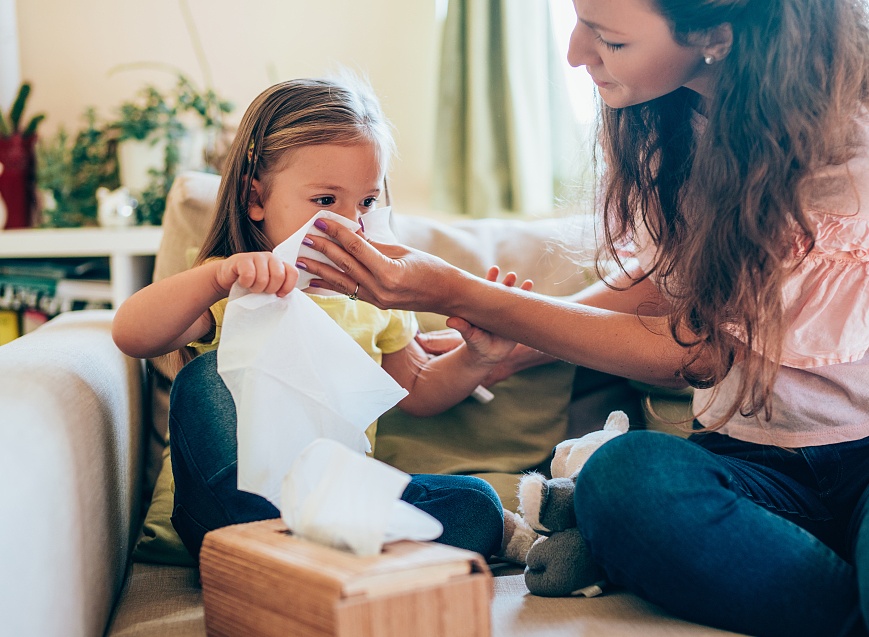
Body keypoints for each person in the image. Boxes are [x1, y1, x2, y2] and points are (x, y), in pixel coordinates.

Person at [296, 1, 869, 635]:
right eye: (578, 19)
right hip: (752, 464)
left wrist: (463, 294)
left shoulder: (848, 146)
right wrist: (513, 343)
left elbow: (699, 351)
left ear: (715, 34)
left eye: (610, 41)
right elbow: (676, 283)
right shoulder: (680, 119)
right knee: (623, 479)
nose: (573, 53)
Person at [112, 77, 526, 560]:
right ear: (256, 198)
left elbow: (416, 387)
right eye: (326, 201)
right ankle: (277, 548)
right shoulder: (237, 281)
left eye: (367, 202)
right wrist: (218, 278)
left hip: (332, 507)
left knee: (478, 504)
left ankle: (314, 557)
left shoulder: (377, 296)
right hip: (226, 517)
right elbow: (131, 334)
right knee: (206, 379)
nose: (350, 223)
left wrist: (477, 357)